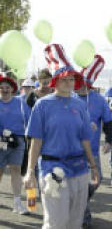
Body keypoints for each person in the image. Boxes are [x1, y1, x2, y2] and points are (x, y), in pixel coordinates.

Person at [23, 43, 99, 229]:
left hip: (79, 168)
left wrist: (94, 166)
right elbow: (36, 140)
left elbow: (85, 139)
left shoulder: (79, 105)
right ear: (55, 81)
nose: (69, 83)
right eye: (64, 79)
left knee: (75, 222)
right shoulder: (42, 105)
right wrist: (30, 171)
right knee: (56, 222)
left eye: (72, 79)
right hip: (53, 169)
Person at [75, 54, 112, 227]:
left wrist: (109, 140)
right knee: (80, 183)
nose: (81, 87)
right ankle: (83, 216)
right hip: (73, 151)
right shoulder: (69, 98)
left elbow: (108, 121)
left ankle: (79, 203)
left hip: (92, 151)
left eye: (85, 84)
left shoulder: (98, 99)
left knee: (96, 181)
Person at [0, 74, 31, 215]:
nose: (4, 89)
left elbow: (30, 119)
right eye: (2, 87)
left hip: (18, 142)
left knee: (16, 170)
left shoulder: (20, 102)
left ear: (13, 89)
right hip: (0, 142)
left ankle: (17, 203)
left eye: (7, 87)